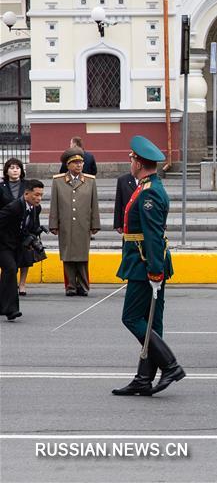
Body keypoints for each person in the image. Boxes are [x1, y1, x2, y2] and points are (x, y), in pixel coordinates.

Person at [111, 136, 184, 396]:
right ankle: (144, 378)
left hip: (144, 262)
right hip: (146, 261)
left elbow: (152, 234)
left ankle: (170, 365)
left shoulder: (149, 191)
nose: (130, 162)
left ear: (139, 162)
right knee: (152, 322)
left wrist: (154, 269)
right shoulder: (146, 186)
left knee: (131, 317)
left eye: (131, 158)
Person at [49, 148, 100, 296]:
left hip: (83, 225)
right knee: (67, 256)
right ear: (68, 164)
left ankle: (83, 286)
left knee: (83, 257)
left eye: (81, 162)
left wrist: (95, 223)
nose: (79, 165)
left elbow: (94, 204)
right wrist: (53, 224)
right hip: (65, 224)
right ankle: (70, 286)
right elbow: (54, 204)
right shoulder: (58, 181)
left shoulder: (90, 181)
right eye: (75, 163)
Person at [0, 180, 43, 321]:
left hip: (16, 246)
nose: (39, 198)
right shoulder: (14, 207)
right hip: (3, 245)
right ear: (26, 194)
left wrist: (32, 238)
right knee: (11, 269)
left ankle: (2, 305)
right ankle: (11, 310)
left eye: (41, 195)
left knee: (10, 273)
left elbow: (29, 227)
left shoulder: (36, 208)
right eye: (36, 195)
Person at [1, 158, 29, 295]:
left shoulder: (27, 186)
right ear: (6, 171)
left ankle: (22, 284)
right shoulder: (1, 187)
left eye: (18, 167)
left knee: (24, 256)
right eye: (12, 168)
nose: (15, 170)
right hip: (6, 227)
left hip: (23, 225)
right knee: (8, 260)